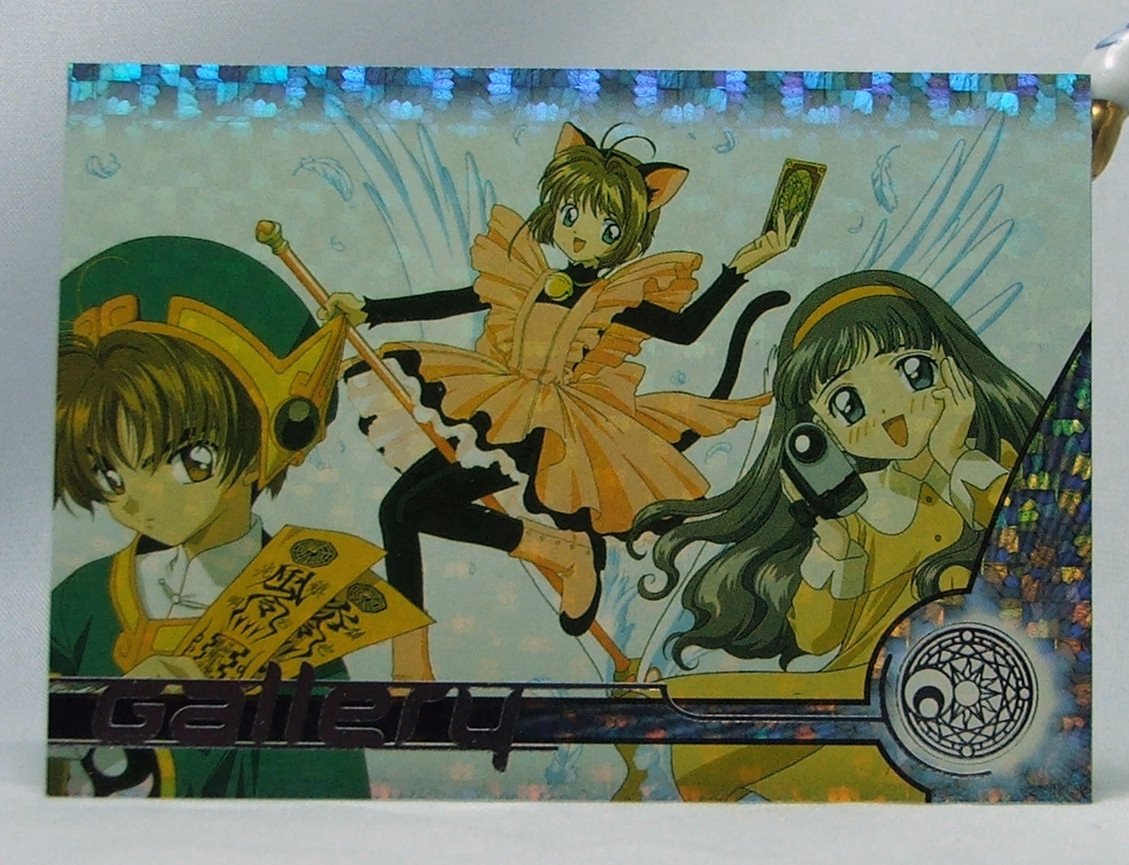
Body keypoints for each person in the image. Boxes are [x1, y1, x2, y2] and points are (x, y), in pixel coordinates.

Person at [324, 121, 797, 680]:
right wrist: (371, 309)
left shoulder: (612, 297)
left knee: (404, 509)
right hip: (498, 400)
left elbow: (686, 330)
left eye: (607, 226)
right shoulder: (528, 277)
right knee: (401, 510)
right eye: (572, 214)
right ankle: (540, 562)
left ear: (627, 234)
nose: (581, 234)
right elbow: (459, 299)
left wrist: (740, 267)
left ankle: (422, 660)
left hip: (548, 427)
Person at [627, 269, 1042, 801]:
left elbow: (1035, 552)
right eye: (849, 403)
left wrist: (956, 457)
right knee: (695, 742)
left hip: (972, 704)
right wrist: (836, 548)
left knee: (703, 740)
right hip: (860, 704)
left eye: (913, 370)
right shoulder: (861, 510)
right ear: (818, 425)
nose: (888, 410)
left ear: (954, 366)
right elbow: (817, 637)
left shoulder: (995, 473)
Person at [50, 235, 428, 798]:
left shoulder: (305, 616)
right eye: (109, 474)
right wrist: (101, 709)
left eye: (187, 459)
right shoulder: (82, 598)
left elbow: (321, 800)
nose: (139, 499)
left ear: (272, 442)